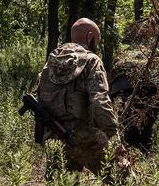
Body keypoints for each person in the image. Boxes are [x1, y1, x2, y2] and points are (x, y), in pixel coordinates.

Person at [36, 18, 119, 174]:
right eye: (97, 41)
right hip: (83, 136)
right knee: (125, 183)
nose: (97, 46)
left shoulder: (51, 62)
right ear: (89, 37)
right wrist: (112, 135)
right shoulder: (91, 60)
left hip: (54, 136)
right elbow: (100, 101)